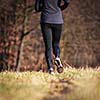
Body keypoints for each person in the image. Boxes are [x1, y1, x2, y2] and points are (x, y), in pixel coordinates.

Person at [35, 0, 70, 74]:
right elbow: (67, 2)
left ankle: (50, 68)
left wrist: (44, 8)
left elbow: (37, 8)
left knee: (48, 46)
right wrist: (60, 8)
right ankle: (57, 57)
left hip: (46, 20)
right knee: (56, 43)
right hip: (57, 20)